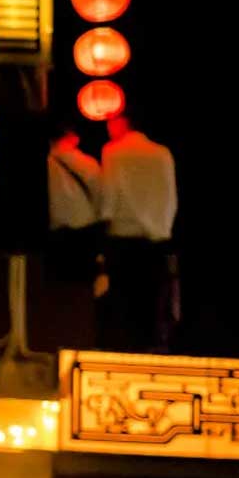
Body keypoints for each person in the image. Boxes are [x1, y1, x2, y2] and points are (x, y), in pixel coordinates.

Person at [97, 115, 177, 352]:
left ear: (121, 123)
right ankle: (149, 350)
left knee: (123, 300)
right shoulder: (162, 153)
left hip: (123, 237)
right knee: (150, 302)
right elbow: (170, 198)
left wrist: (103, 226)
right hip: (156, 238)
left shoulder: (113, 151)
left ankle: (123, 348)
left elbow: (109, 195)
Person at [43, 126, 105, 350]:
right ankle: (84, 341)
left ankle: (59, 341)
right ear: (73, 137)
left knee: (59, 296)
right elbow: (101, 197)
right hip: (84, 235)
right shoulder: (88, 163)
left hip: (56, 238)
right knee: (82, 295)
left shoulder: (44, 165)